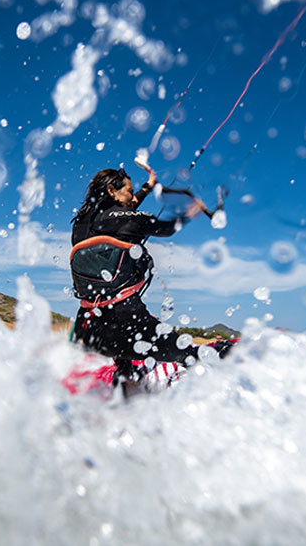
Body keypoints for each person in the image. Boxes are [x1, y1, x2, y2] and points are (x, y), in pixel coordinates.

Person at [69, 167, 208, 392]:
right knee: (191, 355)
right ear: (111, 191)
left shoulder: (81, 223)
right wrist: (191, 212)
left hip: (87, 328)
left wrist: (148, 186)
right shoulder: (129, 221)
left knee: (122, 357)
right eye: (129, 191)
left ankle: (126, 384)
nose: (134, 198)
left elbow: (120, 213)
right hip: (126, 321)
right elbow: (167, 228)